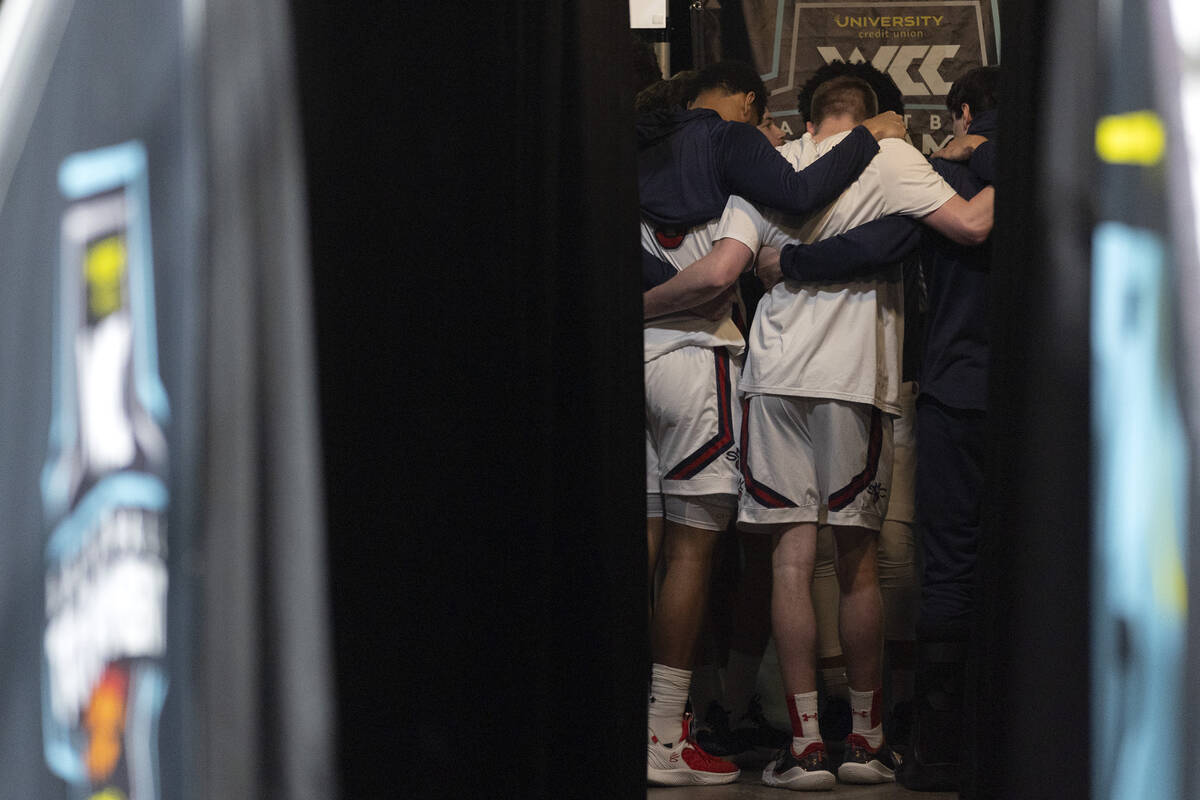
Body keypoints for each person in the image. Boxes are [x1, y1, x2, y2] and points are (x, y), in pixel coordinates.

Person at [647, 73, 993, 791]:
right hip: (851, 376)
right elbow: (971, 226)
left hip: (770, 380)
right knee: (860, 563)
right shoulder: (894, 159)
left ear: (805, 118)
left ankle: (803, 745)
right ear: (876, 119)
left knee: (789, 565)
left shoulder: (766, 171)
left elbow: (728, 268)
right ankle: (865, 740)